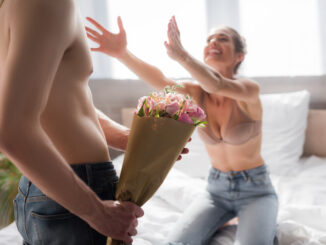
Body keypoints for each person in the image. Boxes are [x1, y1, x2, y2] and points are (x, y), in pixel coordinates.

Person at [85, 15, 278, 245]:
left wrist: (182, 55)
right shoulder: (195, 93)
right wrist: (122, 53)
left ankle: (256, 220)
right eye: (210, 39)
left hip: (256, 190)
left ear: (239, 56)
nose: (213, 42)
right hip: (216, 190)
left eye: (223, 38)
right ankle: (226, 220)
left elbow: (217, 84)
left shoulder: (248, 90)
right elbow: (160, 79)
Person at [0, 0, 156, 244]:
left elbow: (55, 99)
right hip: (75, 187)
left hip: (47, 185)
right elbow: (11, 132)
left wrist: (126, 138)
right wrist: (98, 213)